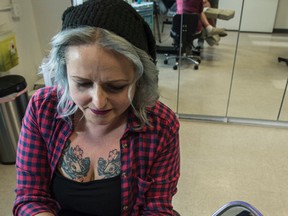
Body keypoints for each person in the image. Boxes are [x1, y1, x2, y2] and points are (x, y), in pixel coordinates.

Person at [13, 0, 180, 215]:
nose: (99, 102)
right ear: (64, 75)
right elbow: (30, 197)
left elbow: (157, 208)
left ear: (139, 80)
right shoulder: (42, 109)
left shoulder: (160, 126)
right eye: (82, 84)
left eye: (116, 86)